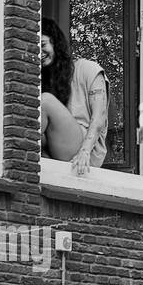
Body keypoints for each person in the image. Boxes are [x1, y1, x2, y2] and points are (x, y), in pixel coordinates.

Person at [40, 17, 109, 176]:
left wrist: (84, 152)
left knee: (45, 101)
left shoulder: (87, 68)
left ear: (56, 43)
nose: (40, 53)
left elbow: (99, 118)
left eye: (43, 45)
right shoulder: (46, 79)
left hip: (83, 149)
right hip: (56, 150)